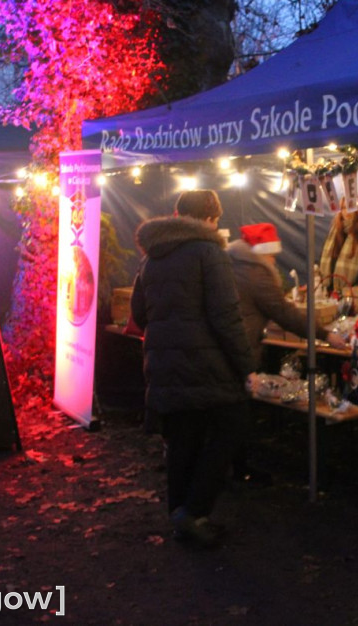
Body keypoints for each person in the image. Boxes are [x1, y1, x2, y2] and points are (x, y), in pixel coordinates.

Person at [130, 190, 255, 548]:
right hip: (207, 364)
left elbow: (139, 315)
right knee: (232, 427)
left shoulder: (152, 257)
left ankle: (182, 516)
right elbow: (225, 316)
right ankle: (195, 509)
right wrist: (246, 366)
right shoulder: (209, 252)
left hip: (164, 363)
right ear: (211, 219)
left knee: (182, 438)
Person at [228, 222, 347, 367]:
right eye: (272, 255)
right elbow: (284, 312)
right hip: (241, 348)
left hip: (228, 344)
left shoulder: (233, 263)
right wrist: (325, 334)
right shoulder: (256, 274)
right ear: (261, 254)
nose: (274, 261)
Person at [320, 199, 358, 292]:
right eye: (343, 208)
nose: (346, 211)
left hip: (355, 292)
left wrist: (354, 290)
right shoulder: (334, 234)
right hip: (330, 292)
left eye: (350, 207)